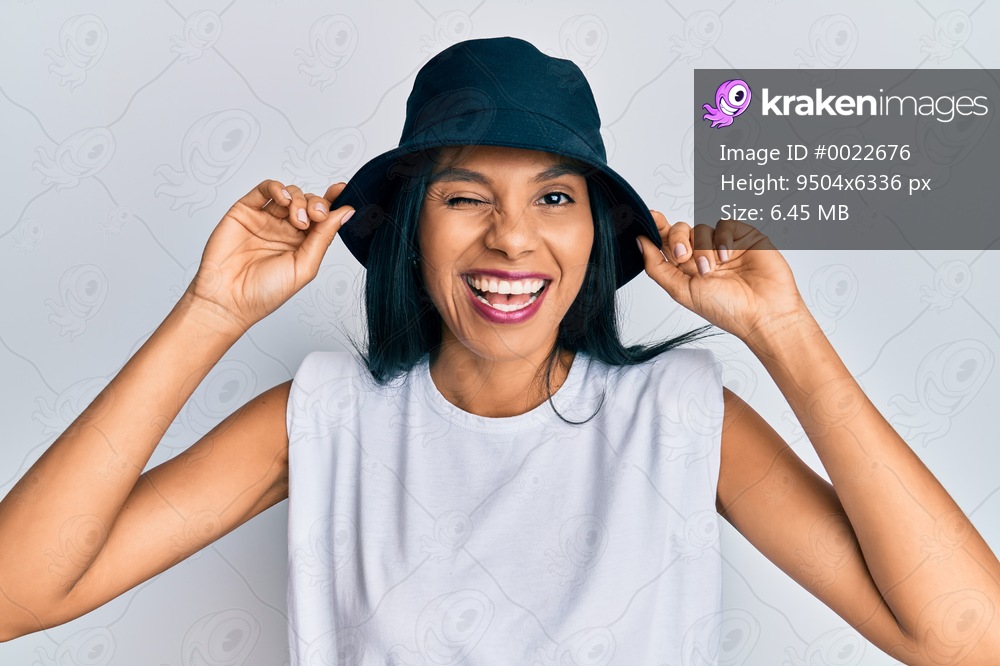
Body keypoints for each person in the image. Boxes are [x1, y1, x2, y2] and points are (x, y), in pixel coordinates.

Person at [0, 36, 998, 665]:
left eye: (554, 198)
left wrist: (787, 335)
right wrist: (211, 311)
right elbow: (17, 595)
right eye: (465, 196)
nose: (511, 239)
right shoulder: (325, 421)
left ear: (596, 236)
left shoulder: (678, 421)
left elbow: (966, 639)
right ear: (410, 230)